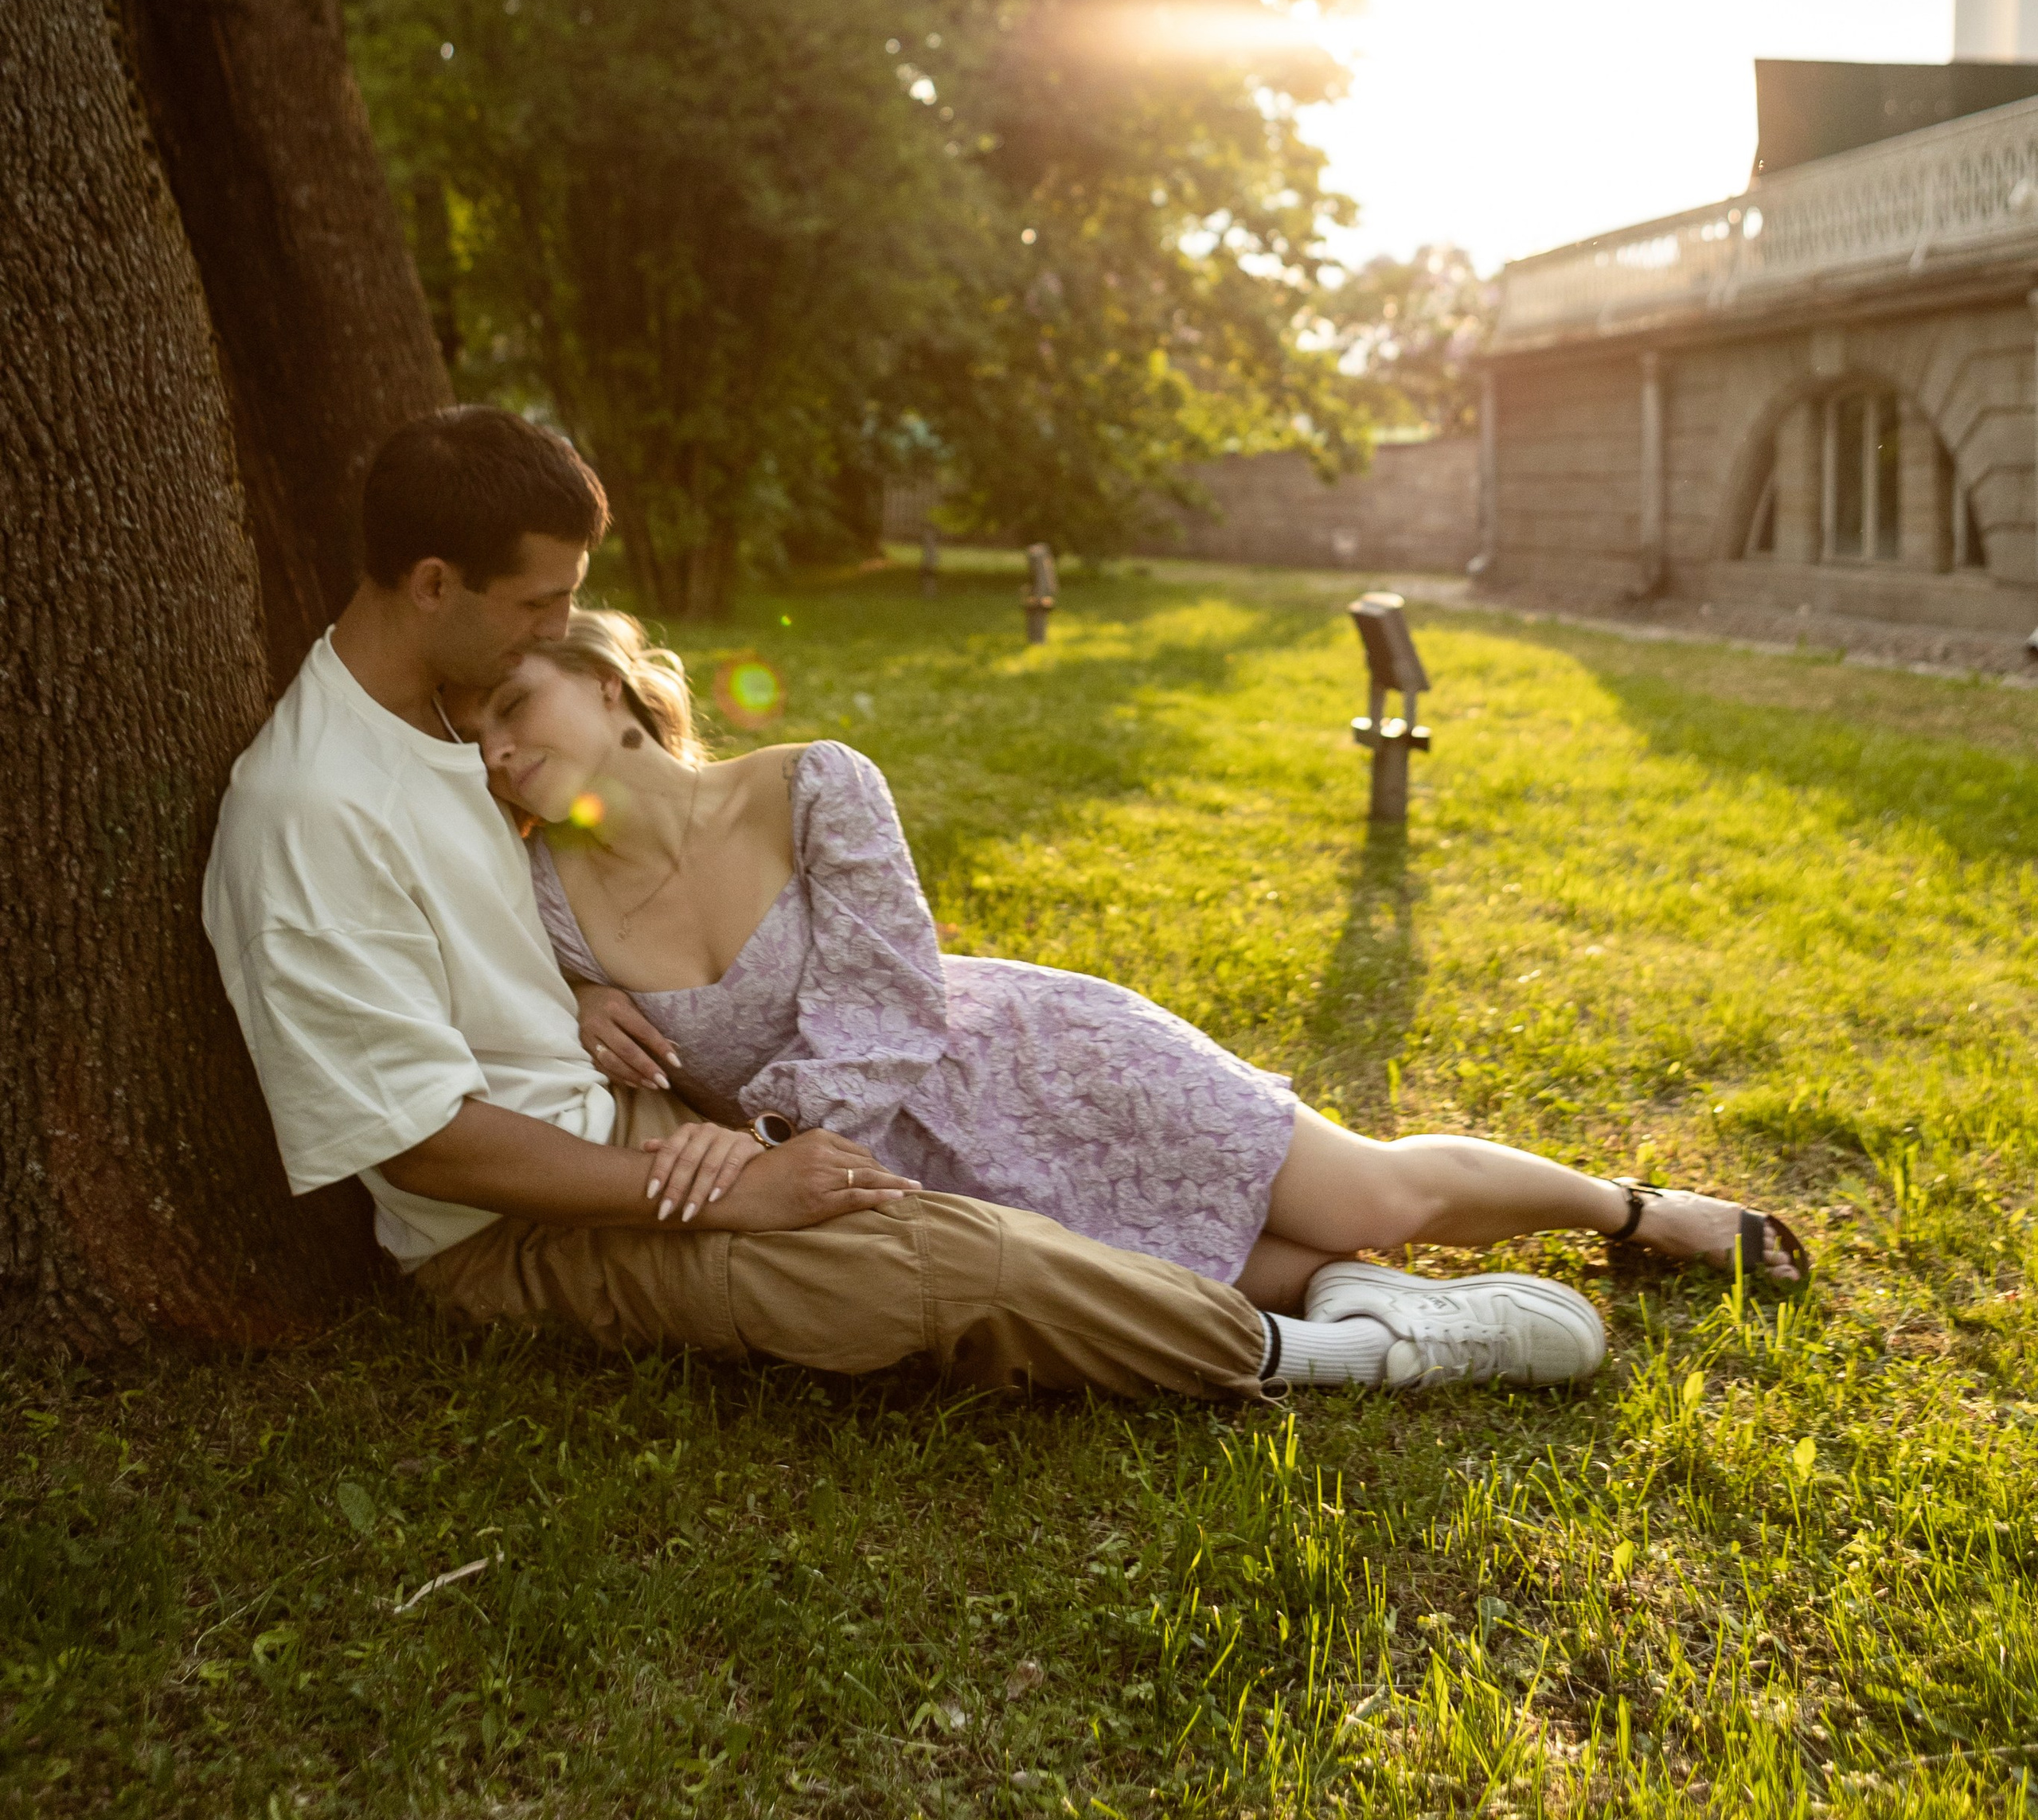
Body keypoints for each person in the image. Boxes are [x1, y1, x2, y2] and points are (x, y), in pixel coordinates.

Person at [202, 405, 1617, 1405]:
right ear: (436, 584)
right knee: (944, 1265)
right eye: (536, 606)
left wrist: (579, 1000)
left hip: (638, 1126)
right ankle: (1339, 1349)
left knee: (937, 1200)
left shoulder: (461, 731)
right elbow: (428, 1146)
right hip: (518, 1225)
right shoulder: (310, 808)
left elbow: (503, 931)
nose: (559, 633)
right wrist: (717, 1186)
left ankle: (1388, 1269)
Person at [475, 606, 1811, 1320]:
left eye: (512, 707)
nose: (496, 750)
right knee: (1242, 1280)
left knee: (1370, 1200)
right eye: (474, 738)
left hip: (1033, 1060)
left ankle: (1638, 1213)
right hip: (902, 1182)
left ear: (605, 684)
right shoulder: (544, 903)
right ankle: (1467, 1322)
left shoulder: (813, 782)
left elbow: (889, 1005)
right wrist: (583, 989)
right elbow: (501, 998)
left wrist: (758, 1140)